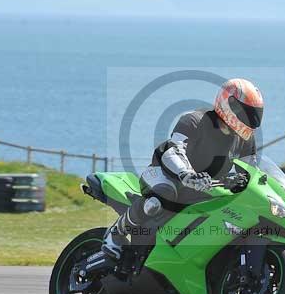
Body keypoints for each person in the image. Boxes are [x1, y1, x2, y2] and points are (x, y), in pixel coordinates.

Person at [102, 78, 264, 261]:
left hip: (205, 186)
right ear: (229, 104)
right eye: (247, 113)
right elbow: (173, 151)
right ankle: (116, 233)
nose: (251, 120)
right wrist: (187, 174)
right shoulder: (195, 120)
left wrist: (239, 180)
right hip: (165, 175)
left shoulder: (246, 139)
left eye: (255, 114)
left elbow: (251, 170)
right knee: (164, 194)